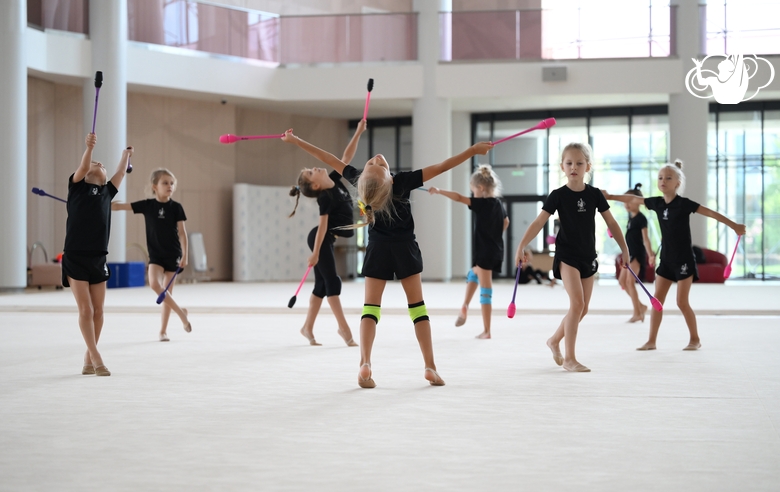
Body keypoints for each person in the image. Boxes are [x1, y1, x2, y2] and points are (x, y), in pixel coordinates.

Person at [282, 128, 493, 387]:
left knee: (370, 309)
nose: (376, 158)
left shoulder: (362, 181)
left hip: (378, 250)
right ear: (390, 180)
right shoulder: (402, 181)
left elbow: (327, 157)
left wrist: (296, 140)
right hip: (406, 250)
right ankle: (430, 366)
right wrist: (472, 150)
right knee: (418, 309)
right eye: (376, 164)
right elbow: (442, 166)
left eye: (373, 162)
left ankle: (365, 363)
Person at [603, 159, 746, 351]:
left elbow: (710, 213)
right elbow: (633, 200)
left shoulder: (684, 204)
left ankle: (695, 339)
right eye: (660, 177)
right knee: (657, 301)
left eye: (668, 178)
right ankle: (651, 341)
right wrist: (610, 196)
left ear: (677, 183)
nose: (663, 181)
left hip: (684, 261)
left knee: (681, 302)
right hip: (666, 262)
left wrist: (734, 226)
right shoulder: (657, 203)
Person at [515, 142, 629, 372]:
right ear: (562, 167)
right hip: (567, 256)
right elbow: (539, 222)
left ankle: (554, 340)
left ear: (588, 166)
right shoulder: (557, 196)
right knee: (577, 303)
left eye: (579, 163)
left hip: (588, 256)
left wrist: (625, 250)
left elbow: (612, 222)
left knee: (582, 309)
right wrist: (521, 246)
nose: (574, 167)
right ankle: (570, 358)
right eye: (569, 163)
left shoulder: (595, 195)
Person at [288, 120, 367, 347]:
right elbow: (322, 225)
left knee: (321, 286)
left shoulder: (333, 180)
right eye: (312, 172)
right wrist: (315, 253)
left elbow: (346, 157)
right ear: (315, 186)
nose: (317, 168)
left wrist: (359, 132)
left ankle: (307, 328)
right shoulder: (325, 197)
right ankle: (344, 330)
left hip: (325, 239)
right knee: (333, 283)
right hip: (320, 239)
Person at [63, 133, 131, 376]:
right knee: (86, 310)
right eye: (96, 164)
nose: (99, 164)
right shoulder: (77, 187)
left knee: (99, 311)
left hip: (98, 258)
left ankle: (87, 357)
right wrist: (89, 149)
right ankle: (96, 356)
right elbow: (83, 165)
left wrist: (126, 155)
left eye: (102, 164)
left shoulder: (106, 193)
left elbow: (121, 174)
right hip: (75, 256)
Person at [428, 164, 508, 339]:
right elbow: (506, 222)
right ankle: (464, 305)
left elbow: (458, 198)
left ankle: (487, 331)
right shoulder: (498, 204)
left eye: (473, 191)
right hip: (495, 249)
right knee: (473, 273)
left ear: (480, 188)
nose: (472, 194)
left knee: (486, 290)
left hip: (484, 250)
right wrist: (495, 234)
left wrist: (439, 190)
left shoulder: (481, 204)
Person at [112, 169, 192, 341]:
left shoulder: (176, 208)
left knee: (166, 295)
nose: (169, 186)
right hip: (155, 255)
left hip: (173, 255)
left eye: (172, 183)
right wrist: (100, 202)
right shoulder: (148, 205)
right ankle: (181, 314)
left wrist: (185, 255)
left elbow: (182, 233)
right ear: (155, 186)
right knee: (155, 285)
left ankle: (163, 331)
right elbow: (119, 206)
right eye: (165, 183)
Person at [618, 183, 655, 323]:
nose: (626, 205)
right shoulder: (630, 219)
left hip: (637, 254)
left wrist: (650, 254)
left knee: (630, 282)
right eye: (624, 202)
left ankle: (637, 313)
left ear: (637, 202)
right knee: (622, 281)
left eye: (629, 201)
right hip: (629, 253)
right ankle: (641, 306)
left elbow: (646, 239)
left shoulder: (641, 218)